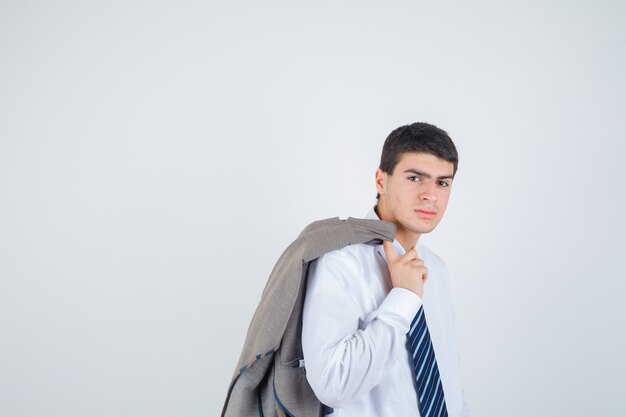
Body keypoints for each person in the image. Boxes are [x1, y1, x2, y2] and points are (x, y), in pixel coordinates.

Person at [301, 122, 469, 417]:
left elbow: (448, 379)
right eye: (415, 178)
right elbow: (332, 385)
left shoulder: (436, 269)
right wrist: (403, 297)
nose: (430, 195)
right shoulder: (341, 263)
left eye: (442, 182)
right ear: (381, 181)